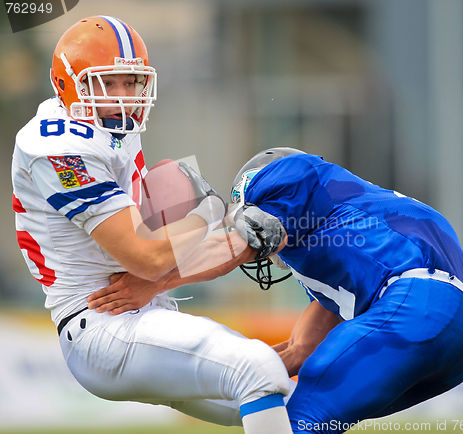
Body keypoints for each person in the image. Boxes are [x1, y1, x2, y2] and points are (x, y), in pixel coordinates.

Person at [11, 16, 294, 434]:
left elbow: (155, 267)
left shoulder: (109, 127)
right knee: (258, 367)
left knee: (291, 402)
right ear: (68, 85)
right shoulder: (57, 146)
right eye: (108, 84)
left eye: (131, 83)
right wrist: (210, 212)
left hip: (143, 311)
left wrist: (216, 238)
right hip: (101, 328)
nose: (124, 98)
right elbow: (145, 257)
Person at [227, 147, 463, 433]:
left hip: (420, 304)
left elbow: (301, 169)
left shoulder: (296, 177)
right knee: (315, 418)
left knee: (300, 421)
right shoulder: (342, 244)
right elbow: (301, 351)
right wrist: (218, 376)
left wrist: (185, 253)